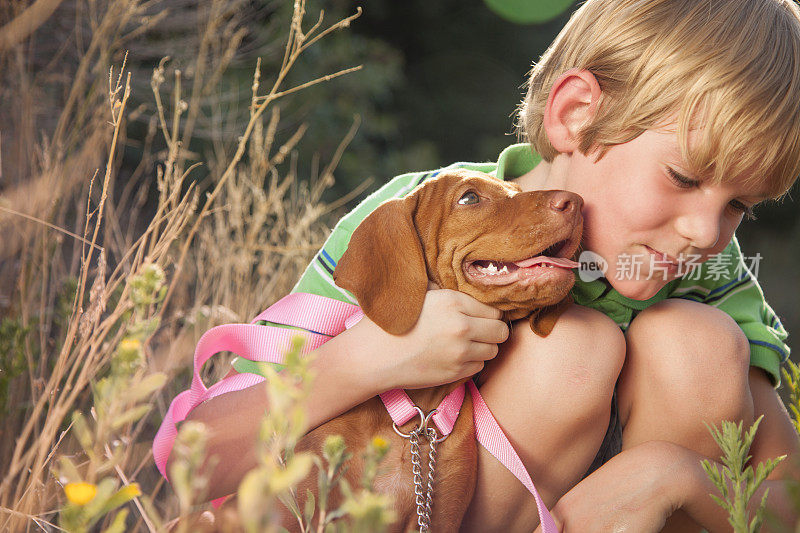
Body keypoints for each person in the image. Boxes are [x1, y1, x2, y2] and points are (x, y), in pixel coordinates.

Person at [179, 0, 800, 530]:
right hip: (414, 496)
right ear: (577, 114)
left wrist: (674, 474)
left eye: (739, 205)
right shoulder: (425, 220)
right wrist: (368, 358)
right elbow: (197, 461)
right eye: (684, 176)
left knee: (699, 342)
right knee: (571, 350)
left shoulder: (713, 280)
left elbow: (789, 504)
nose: (705, 231)